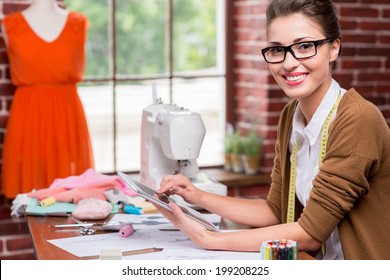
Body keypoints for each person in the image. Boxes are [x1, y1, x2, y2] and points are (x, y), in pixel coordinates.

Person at [153, 0, 390, 260]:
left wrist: (210, 238)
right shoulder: (291, 116)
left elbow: (311, 233)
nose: (288, 63)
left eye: (304, 46)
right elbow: (275, 210)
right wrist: (196, 195)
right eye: (277, 49)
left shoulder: (357, 119)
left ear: (333, 48)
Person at [1, 0, 94, 199]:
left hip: (66, 114)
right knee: (30, 191)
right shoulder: (10, 25)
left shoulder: (76, 23)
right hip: (29, 114)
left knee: (70, 191)